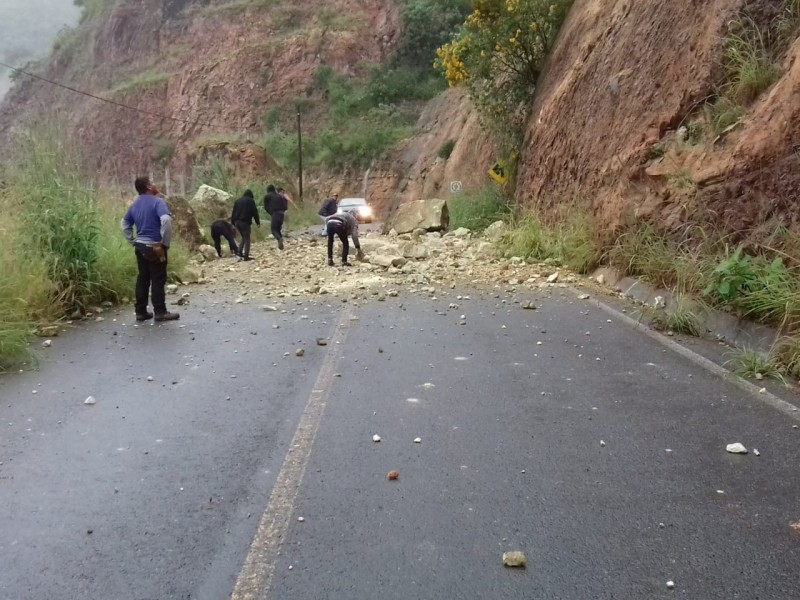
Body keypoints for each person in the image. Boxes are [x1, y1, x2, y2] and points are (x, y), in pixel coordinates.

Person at [120, 176, 179, 322]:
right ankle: (160, 312)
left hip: (140, 246)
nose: (155, 184)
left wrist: (133, 240)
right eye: (152, 182)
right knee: (158, 278)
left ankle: (140, 312)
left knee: (143, 278)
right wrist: (163, 242)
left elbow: (124, 224)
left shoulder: (134, 205)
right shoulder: (158, 202)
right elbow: (165, 220)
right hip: (155, 246)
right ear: (148, 186)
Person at [231, 189, 260, 261]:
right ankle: (246, 256)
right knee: (247, 239)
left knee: (243, 237)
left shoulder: (238, 201)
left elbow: (233, 212)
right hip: (245, 222)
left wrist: (233, 222)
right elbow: (255, 212)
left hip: (237, 222)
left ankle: (240, 252)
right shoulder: (250, 201)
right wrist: (258, 222)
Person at [263, 184, 288, 250]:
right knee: (278, 229)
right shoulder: (279, 196)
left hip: (275, 214)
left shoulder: (267, 196)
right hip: (282, 214)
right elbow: (285, 206)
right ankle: (280, 242)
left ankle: (279, 239)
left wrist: (271, 213)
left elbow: (266, 207)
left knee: (273, 230)